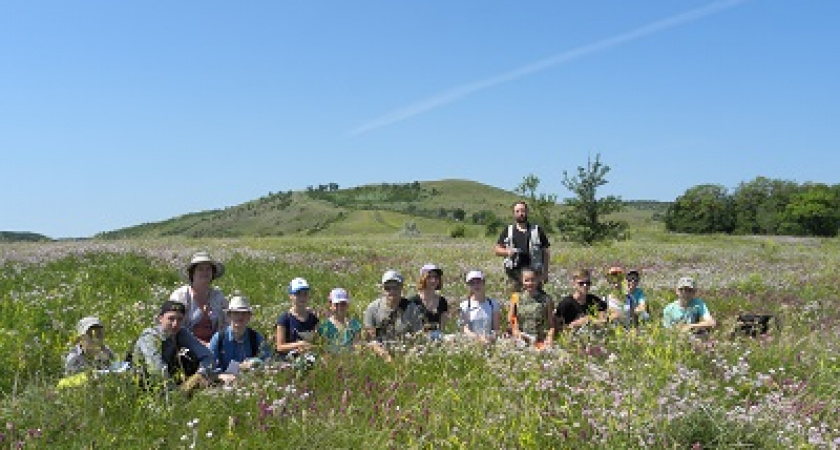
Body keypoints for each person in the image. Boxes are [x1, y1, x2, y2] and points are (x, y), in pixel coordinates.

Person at [132, 300, 215, 391]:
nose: (175, 324)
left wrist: (200, 374)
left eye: (179, 319)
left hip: (169, 380)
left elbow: (207, 355)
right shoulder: (150, 338)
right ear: (160, 318)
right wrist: (176, 393)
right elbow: (156, 370)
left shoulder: (181, 333)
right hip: (144, 384)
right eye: (171, 319)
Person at [208, 293, 270, 383]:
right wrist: (221, 376)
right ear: (229, 316)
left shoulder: (256, 337)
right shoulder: (218, 339)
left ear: (249, 317)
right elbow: (209, 368)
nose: (240, 317)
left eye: (244, 313)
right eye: (236, 313)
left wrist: (254, 362)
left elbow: (268, 361)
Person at [169, 251, 228, 346]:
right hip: (185, 346)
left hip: (216, 346)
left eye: (208, 269)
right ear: (192, 273)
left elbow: (227, 323)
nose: (205, 272)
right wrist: (202, 345)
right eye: (200, 269)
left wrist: (218, 344)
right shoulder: (180, 295)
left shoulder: (218, 295)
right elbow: (175, 327)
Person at [363, 270, 424, 360]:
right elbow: (370, 339)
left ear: (402, 288)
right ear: (382, 289)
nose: (392, 291)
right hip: (379, 354)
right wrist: (385, 356)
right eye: (388, 288)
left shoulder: (412, 309)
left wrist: (408, 356)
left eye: (396, 287)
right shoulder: (373, 308)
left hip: (406, 353)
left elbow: (418, 336)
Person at [494, 201, 551, 291]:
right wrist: (507, 252)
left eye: (523, 211)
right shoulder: (508, 230)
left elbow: (546, 252)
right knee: (515, 301)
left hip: (534, 275)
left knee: (537, 301)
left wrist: (545, 273)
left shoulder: (537, 230)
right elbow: (497, 250)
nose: (521, 214)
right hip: (514, 274)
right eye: (517, 211)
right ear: (513, 214)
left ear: (527, 212)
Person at [508, 268, 555, 347]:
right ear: (522, 281)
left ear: (537, 280)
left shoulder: (546, 299)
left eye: (533, 280)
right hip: (520, 338)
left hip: (539, 340)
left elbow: (551, 324)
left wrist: (550, 337)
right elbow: (510, 319)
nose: (530, 283)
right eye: (526, 280)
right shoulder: (515, 297)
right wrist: (515, 330)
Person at [275, 277, 320, 359]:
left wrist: (311, 347)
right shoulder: (284, 318)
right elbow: (280, 347)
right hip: (289, 360)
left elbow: (317, 342)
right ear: (291, 296)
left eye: (305, 294)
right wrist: (299, 345)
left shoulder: (313, 318)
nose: (302, 297)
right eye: (298, 294)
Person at [408, 264, 449, 340]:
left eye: (436, 277)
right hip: (419, 339)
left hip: (438, 338)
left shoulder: (442, 301)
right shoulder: (413, 301)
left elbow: (441, 328)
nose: (433, 280)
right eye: (429, 277)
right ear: (423, 279)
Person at [458, 270, 501, 342]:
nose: (476, 285)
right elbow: (466, 329)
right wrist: (478, 338)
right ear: (468, 286)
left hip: (489, 341)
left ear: (483, 283)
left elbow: (496, 329)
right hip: (471, 342)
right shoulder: (464, 305)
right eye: (472, 283)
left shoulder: (493, 304)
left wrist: (490, 338)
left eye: (478, 282)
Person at [317, 288, 363, 353]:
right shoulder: (324, 327)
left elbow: (357, 345)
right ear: (330, 305)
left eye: (343, 304)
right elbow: (323, 349)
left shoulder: (354, 324)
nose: (340, 307)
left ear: (347, 305)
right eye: (336, 304)